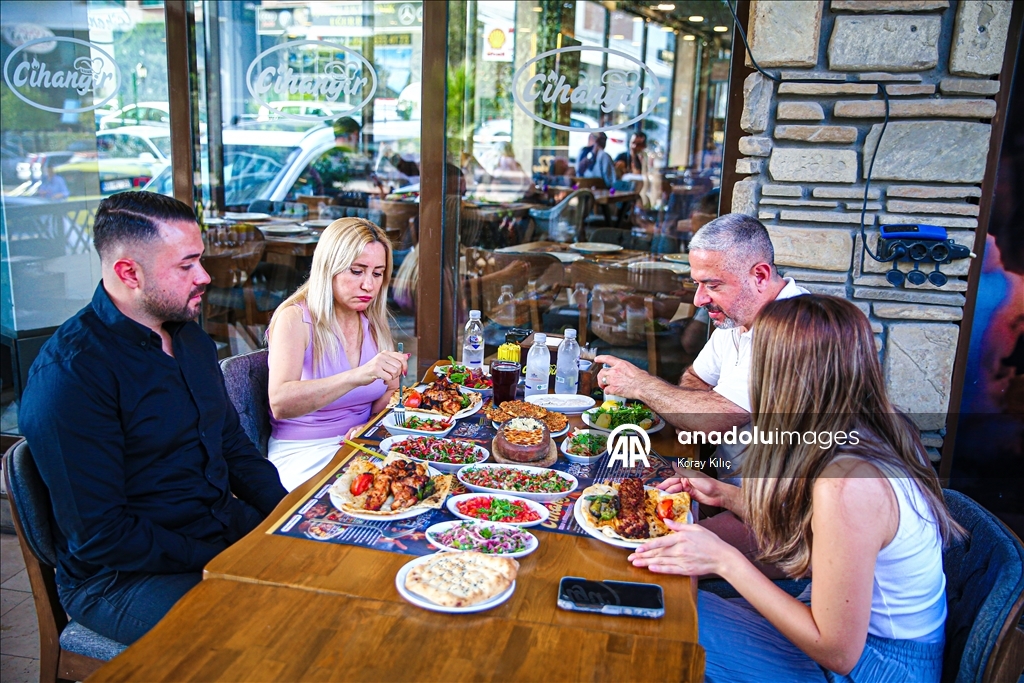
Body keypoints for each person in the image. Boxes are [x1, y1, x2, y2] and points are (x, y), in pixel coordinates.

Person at [629, 295, 959, 682]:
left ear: (786, 376)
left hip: (877, 666)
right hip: (846, 628)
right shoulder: (871, 426)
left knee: (653, 617)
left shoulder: (849, 483)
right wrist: (725, 494)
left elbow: (838, 653)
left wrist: (724, 561)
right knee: (660, 601)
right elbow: (817, 529)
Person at [19, 191, 287, 646]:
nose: (204, 276)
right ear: (129, 273)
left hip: (216, 529)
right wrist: (222, 558)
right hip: (122, 578)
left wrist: (289, 514)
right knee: (270, 637)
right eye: (186, 265)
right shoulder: (72, 375)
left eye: (200, 259)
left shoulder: (190, 339)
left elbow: (233, 447)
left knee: (338, 573)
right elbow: (104, 535)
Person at [596, 214, 807, 437]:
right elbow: (697, 376)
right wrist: (690, 416)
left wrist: (640, 385)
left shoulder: (797, 328)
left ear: (760, 276)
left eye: (713, 285)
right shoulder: (737, 314)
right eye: (696, 284)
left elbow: (717, 417)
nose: (698, 300)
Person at [266, 217, 408, 491]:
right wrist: (358, 375)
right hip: (303, 450)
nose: (369, 285)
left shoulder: (372, 320)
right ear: (328, 266)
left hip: (362, 443)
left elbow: (391, 392)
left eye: (377, 273)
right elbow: (280, 403)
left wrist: (371, 423)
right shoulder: (294, 318)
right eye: (357, 271)